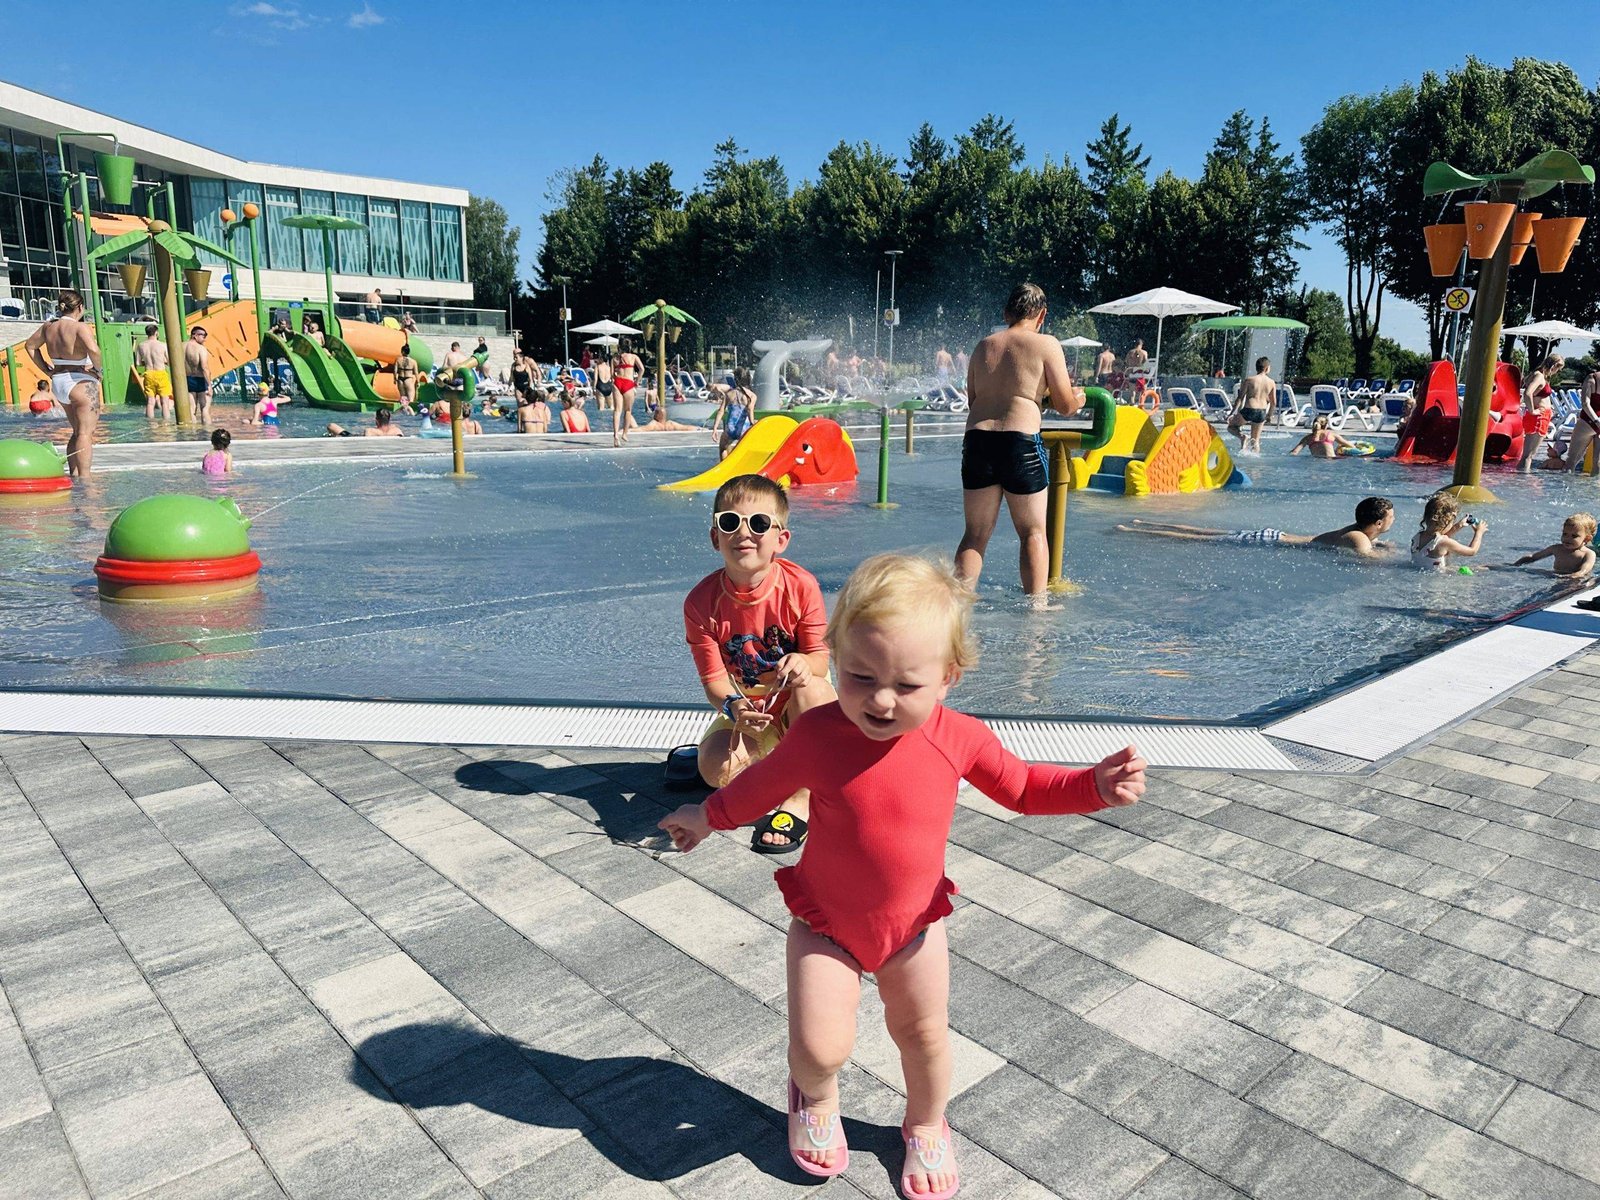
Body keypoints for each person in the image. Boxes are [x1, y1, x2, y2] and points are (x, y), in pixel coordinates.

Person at [659, 553, 1144, 1193]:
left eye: (907, 685)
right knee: (818, 1046)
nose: (881, 700)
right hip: (825, 922)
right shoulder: (818, 734)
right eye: (859, 676)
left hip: (913, 926)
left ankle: (926, 1123)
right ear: (834, 658)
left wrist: (1092, 787)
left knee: (924, 1040)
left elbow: (1024, 787)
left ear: (949, 676)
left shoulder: (960, 737)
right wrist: (706, 814)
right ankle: (817, 1099)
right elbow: (758, 788)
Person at [680, 474, 837, 851]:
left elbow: (819, 658)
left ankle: (800, 796)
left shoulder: (800, 586)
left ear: (781, 539)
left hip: (802, 705)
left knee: (810, 687)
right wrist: (734, 708)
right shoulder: (701, 603)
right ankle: (787, 766)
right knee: (714, 769)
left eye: (760, 523)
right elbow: (715, 683)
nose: (744, 533)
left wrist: (802, 662)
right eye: (730, 522)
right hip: (749, 710)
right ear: (715, 536)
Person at [954, 282, 1084, 597]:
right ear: (1041, 315)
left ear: (1006, 312)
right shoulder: (1046, 344)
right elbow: (1066, 406)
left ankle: (955, 608)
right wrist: (1077, 398)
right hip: (1019, 442)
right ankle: (1035, 617)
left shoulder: (984, 346)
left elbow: (974, 400)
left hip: (978, 440)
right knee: (1032, 533)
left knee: (975, 535)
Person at [1117, 497, 1397, 557]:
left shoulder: (1357, 530)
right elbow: (1370, 560)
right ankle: (1136, 530)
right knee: (1199, 538)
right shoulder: (1359, 539)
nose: (1395, 521)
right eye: (1392, 518)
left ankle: (1144, 523)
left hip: (1272, 536)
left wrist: (1380, 543)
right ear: (1379, 523)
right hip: (1266, 541)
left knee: (1203, 533)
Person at [25, 290, 102, 477]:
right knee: (85, 433)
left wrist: (46, 370)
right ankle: (86, 480)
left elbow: (30, 346)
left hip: (59, 381)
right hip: (80, 381)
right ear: (80, 307)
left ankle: (74, 474)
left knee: (76, 431)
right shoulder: (80, 327)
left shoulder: (48, 326)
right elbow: (94, 350)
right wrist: (98, 371)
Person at [1410, 491, 1486, 573]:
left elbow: (1438, 539)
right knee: (1485, 568)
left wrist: (1458, 526)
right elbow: (1472, 551)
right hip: (1438, 580)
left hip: (1420, 572)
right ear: (1447, 522)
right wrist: (1479, 532)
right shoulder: (1444, 543)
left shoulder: (1418, 536)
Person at [1513, 513, 1597, 577]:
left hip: (1577, 582)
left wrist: (1574, 576)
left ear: (1587, 539)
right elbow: (1533, 557)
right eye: (1565, 534)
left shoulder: (1588, 554)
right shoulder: (1556, 549)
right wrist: (1515, 565)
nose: (1567, 538)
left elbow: (1583, 571)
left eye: (1574, 536)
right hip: (1557, 577)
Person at [1520, 354, 1563, 473]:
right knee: (1529, 455)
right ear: (1553, 365)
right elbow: (1527, 393)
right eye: (1558, 369)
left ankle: (1522, 477)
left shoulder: (1538, 375)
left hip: (1540, 417)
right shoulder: (1539, 376)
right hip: (1538, 418)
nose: (1557, 372)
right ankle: (1523, 479)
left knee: (1528, 454)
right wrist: (1533, 410)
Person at [1228, 356, 1274, 454]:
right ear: (1266, 368)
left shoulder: (1249, 380)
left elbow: (1240, 398)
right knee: (1256, 440)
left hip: (1249, 409)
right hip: (1261, 412)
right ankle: (1255, 463)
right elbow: (1274, 402)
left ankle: (1242, 437)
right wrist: (1269, 415)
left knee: (1231, 427)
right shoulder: (1271, 382)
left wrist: (1232, 413)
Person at [711, 369, 757, 459]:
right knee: (742, 452)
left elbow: (721, 411)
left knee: (722, 448)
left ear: (735, 379)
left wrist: (715, 428)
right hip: (744, 429)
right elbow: (749, 409)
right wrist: (753, 422)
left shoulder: (729, 394)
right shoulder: (751, 396)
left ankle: (724, 468)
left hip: (730, 428)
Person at [134, 324, 172, 421]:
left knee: (150, 402)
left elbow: (138, 363)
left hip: (149, 373)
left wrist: (147, 361)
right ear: (156, 333)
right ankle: (166, 424)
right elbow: (169, 361)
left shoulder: (141, 346)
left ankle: (150, 424)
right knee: (164, 402)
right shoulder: (162, 345)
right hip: (160, 373)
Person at [1288, 414, 1362, 458]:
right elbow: (1351, 446)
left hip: (1315, 462)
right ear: (1326, 426)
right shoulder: (1331, 434)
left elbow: (1294, 452)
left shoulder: (1307, 438)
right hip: (1331, 462)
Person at [182, 326, 213, 425]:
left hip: (186, 379)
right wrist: (209, 385)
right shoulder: (200, 349)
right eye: (203, 336)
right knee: (204, 408)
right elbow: (204, 367)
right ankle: (208, 433)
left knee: (191, 409)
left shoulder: (180, 346)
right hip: (199, 379)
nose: (205, 339)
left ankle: (192, 434)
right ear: (195, 335)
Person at [393, 344, 419, 414]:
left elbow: (395, 371)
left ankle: (402, 413)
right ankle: (411, 414)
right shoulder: (413, 361)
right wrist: (418, 382)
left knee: (403, 400)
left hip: (400, 380)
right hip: (408, 379)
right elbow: (416, 372)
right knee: (411, 400)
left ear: (402, 352)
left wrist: (394, 379)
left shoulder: (398, 360)